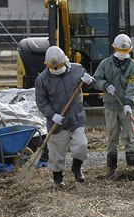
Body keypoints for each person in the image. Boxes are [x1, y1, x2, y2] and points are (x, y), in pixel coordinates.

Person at [35, 46, 93, 187]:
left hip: (76, 118)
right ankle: (58, 178)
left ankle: (76, 168)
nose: (56, 69)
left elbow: (87, 86)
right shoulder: (42, 80)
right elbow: (41, 102)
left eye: (58, 66)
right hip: (57, 123)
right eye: (52, 67)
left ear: (64, 61)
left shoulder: (77, 70)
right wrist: (52, 115)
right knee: (56, 153)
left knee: (81, 146)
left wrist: (89, 82)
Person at [93, 33, 134, 176]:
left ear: (129, 51)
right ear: (114, 48)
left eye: (125, 51)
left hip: (127, 107)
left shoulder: (133, 67)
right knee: (112, 135)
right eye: (120, 50)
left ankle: (131, 169)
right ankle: (111, 169)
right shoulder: (105, 64)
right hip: (111, 105)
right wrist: (106, 85)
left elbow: (133, 86)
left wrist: (128, 103)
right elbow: (96, 80)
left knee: (129, 136)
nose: (122, 53)